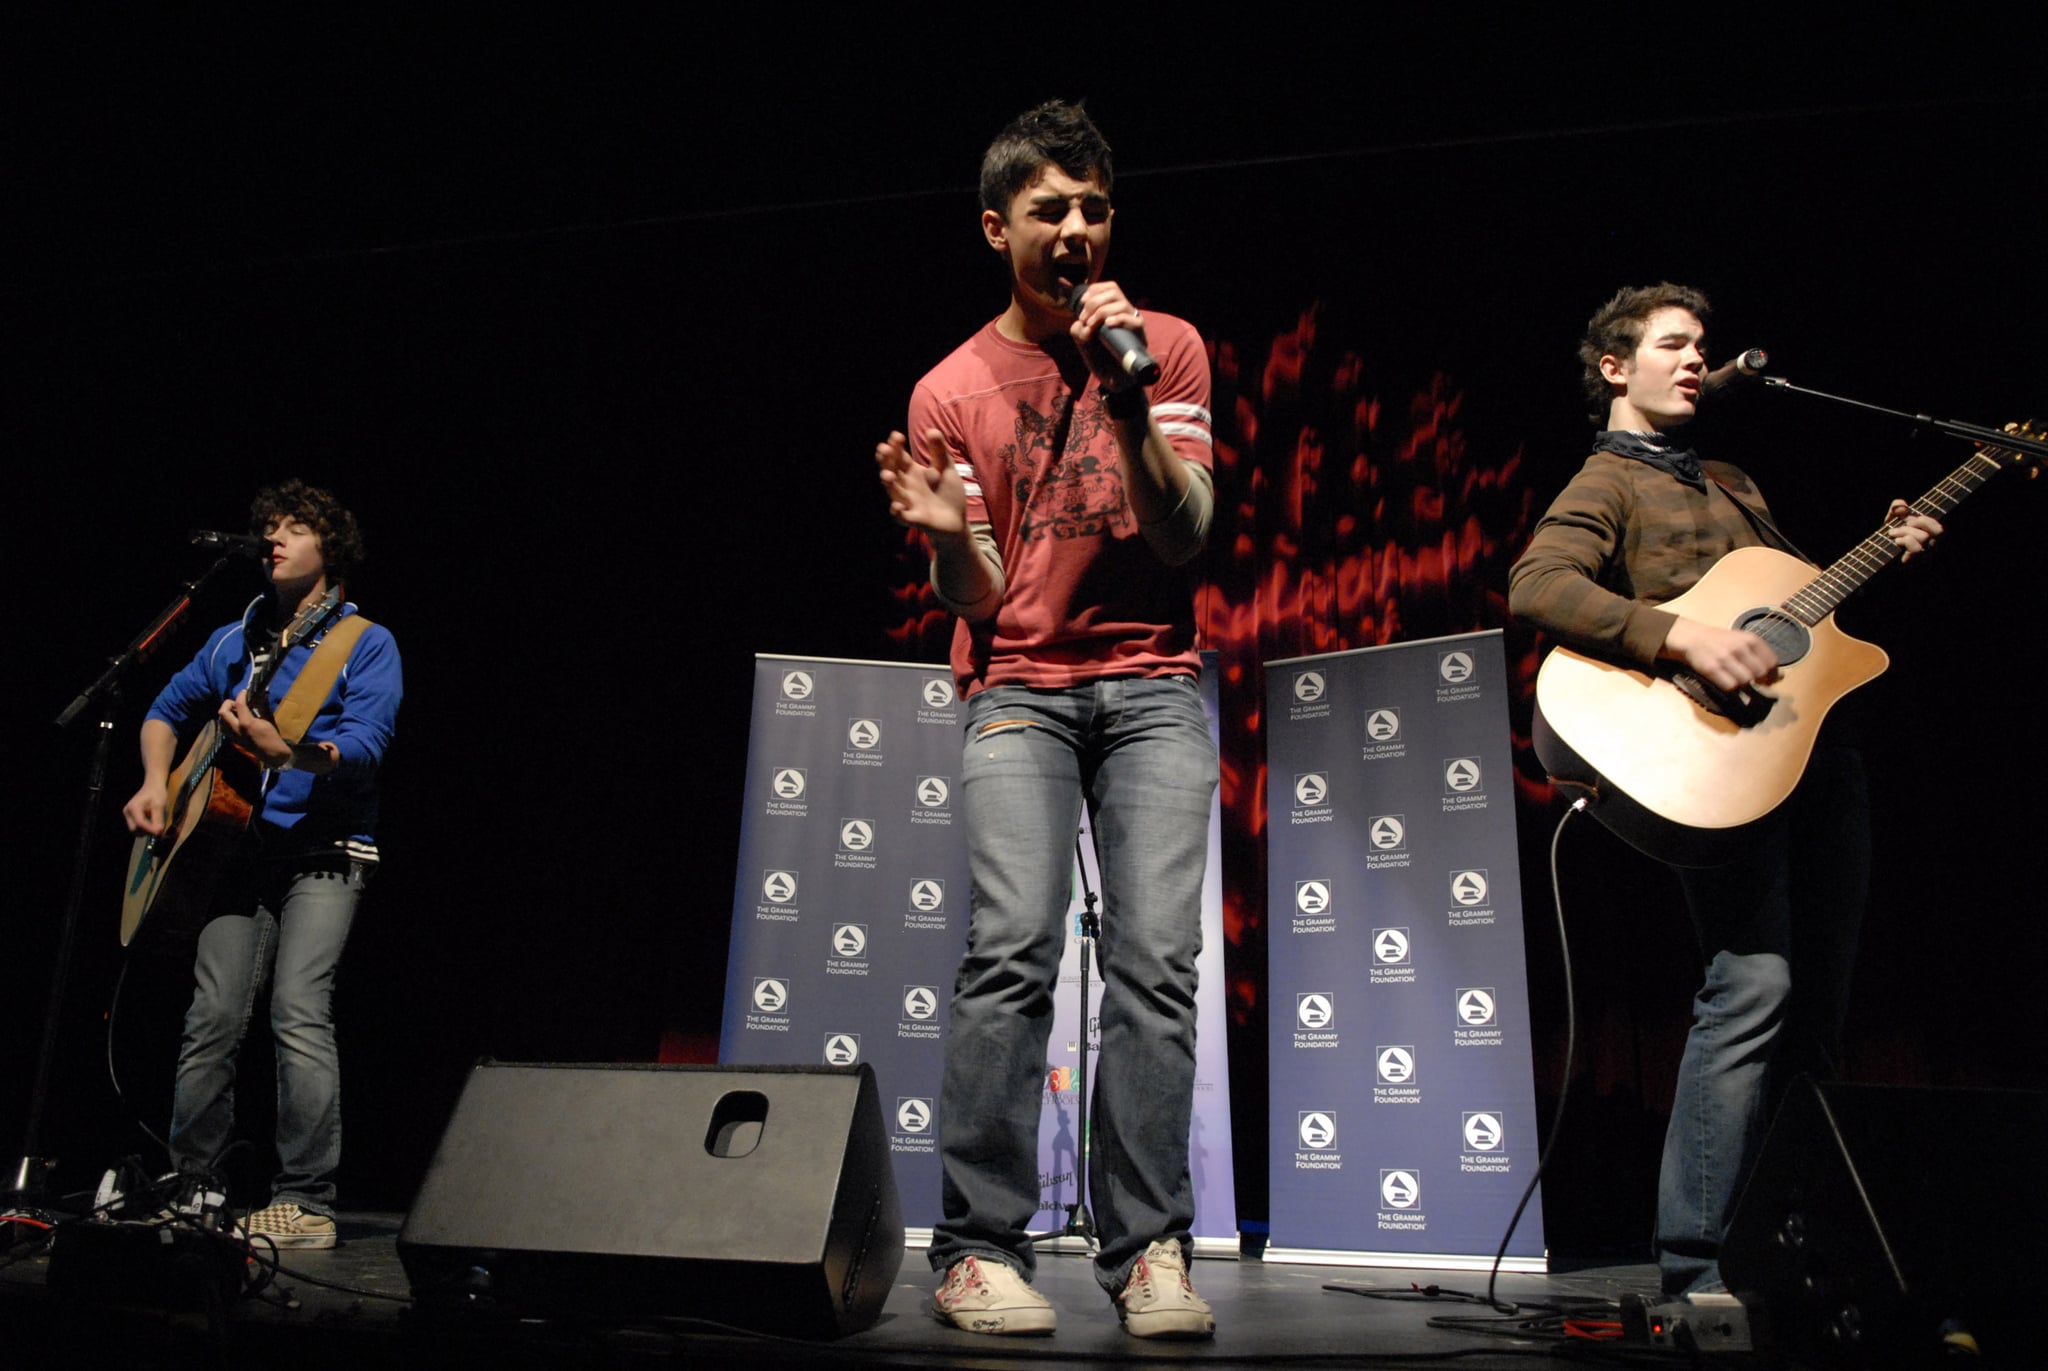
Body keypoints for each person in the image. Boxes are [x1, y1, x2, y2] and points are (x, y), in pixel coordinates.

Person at [1508, 284, 1940, 1298]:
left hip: (1811, 757)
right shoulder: (1605, 481)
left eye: (1700, 344)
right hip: (1717, 765)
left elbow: (1793, 618)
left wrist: (1882, 549)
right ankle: (1694, 1268)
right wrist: (1678, 636)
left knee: (1819, 1013)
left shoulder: (1733, 480)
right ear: (1615, 367)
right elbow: (1539, 584)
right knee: (1751, 987)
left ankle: (1797, 1249)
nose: (1696, 358)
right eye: (1672, 344)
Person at [874, 100, 1217, 1339]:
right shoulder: (948, 389)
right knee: (1011, 945)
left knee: (1155, 962)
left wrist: (1124, 401)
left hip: (1153, 683)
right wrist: (944, 545)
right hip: (1017, 687)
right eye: (1047, 211)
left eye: (1093, 208)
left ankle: (1148, 1253)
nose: (1075, 230)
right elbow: (970, 596)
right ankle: (974, 1247)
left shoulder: (1162, 347)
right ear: (994, 228)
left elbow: (1184, 538)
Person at [121, 480, 401, 1249]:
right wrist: (154, 782)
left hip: (323, 853)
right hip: (237, 855)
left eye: (296, 527)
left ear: (330, 548)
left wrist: (295, 752)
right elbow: (163, 708)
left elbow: (368, 745)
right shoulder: (233, 637)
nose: (275, 537)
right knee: (211, 1017)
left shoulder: (363, 641)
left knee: (298, 1011)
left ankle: (306, 1201)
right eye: (269, 526)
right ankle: (191, 1187)